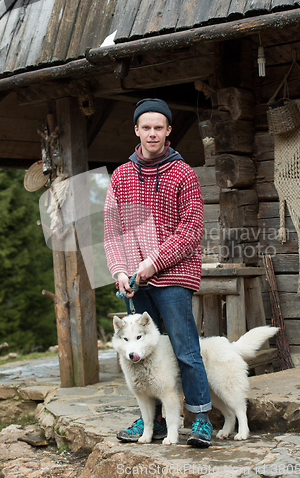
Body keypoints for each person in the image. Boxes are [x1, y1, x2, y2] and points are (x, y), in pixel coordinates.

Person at [104, 98, 213, 448]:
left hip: (173, 278)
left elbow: (192, 228)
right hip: (135, 283)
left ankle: (200, 419)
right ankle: (156, 421)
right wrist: (120, 270)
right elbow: (111, 230)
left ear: (168, 132)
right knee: (143, 353)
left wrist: (152, 263)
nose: (152, 133)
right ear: (137, 130)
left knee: (185, 350)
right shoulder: (121, 176)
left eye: (159, 127)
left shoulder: (184, 173)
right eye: (146, 127)